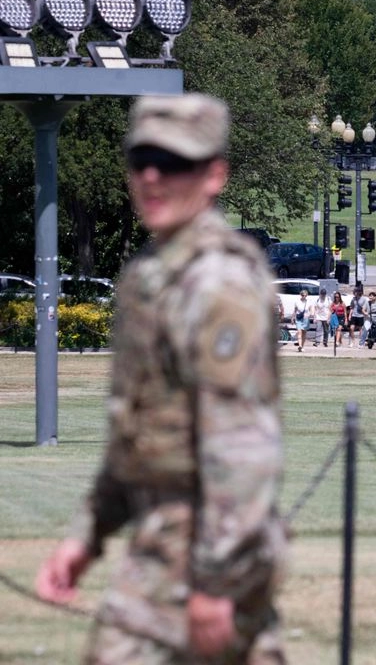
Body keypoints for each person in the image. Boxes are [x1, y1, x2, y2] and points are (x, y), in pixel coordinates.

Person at [35, 93, 287, 662]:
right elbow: (138, 432)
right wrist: (86, 535)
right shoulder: (151, 276)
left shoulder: (219, 285)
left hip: (205, 547)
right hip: (160, 539)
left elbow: (244, 450)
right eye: (141, 160)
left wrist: (215, 585)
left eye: (173, 163)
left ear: (214, 174)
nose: (152, 177)